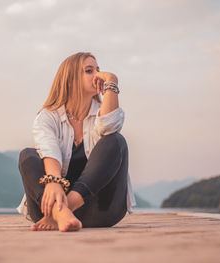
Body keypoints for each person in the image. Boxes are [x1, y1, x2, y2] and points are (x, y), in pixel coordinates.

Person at [17, 52, 136, 232]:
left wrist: (112, 81)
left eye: (99, 70)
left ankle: (61, 212)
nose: (97, 76)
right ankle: (60, 213)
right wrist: (54, 182)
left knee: (115, 141)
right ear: (70, 79)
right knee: (28, 155)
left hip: (100, 210)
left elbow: (110, 126)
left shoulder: (101, 113)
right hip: (46, 205)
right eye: (89, 71)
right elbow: (49, 149)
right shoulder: (48, 117)